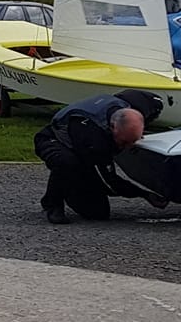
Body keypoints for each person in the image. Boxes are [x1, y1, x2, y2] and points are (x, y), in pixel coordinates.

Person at [34, 91, 171, 224]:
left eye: (132, 141)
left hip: (84, 144)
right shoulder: (96, 141)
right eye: (123, 142)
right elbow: (111, 183)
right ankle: (52, 204)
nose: (127, 147)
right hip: (53, 140)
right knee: (68, 163)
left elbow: (154, 101)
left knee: (99, 213)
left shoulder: (139, 104)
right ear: (112, 128)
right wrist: (144, 194)